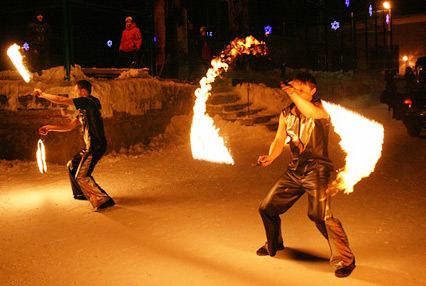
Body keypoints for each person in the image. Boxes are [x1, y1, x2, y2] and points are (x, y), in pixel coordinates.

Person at [256, 72, 355, 278]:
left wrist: (294, 93)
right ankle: (274, 244)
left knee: (320, 216)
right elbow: (280, 138)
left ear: (313, 90)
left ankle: (345, 259)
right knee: (267, 208)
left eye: (301, 90)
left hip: (318, 171)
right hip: (294, 172)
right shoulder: (286, 114)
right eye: (294, 89)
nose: (296, 93)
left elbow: (311, 114)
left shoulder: (321, 109)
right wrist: (271, 156)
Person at [34, 80, 115, 211]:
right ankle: (81, 193)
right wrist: (50, 128)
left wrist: (43, 95)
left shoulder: (88, 102)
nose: (75, 95)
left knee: (82, 176)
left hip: (96, 145)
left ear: (83, 92)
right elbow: (70, 126)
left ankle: (103, 200)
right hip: (90, 146)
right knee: (72, 165)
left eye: (76, 92)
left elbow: (61, 99)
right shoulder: (82, 109)